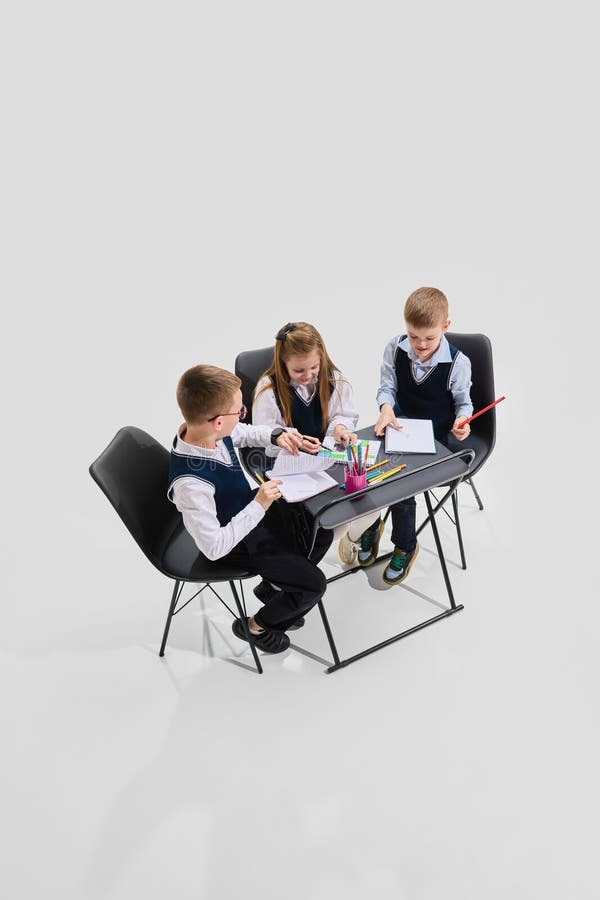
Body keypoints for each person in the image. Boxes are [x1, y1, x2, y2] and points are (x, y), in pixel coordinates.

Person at [167, 364, 333, 654]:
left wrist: (276, 435)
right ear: (218, 422)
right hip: (237, 543)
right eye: (240, 411)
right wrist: (259, 505)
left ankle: (274, 588)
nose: (243, 415)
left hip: (249, 511)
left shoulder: (207, 431)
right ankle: (257, 626)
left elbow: (243, 433)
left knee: (321, 528)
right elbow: (214, 548)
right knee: (313, 585)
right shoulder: (191, 485)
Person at [358, 287, 473, 585]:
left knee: (401, 480)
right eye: (413, 336)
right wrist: (386, 408)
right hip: (399, 425)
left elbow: (464, 404)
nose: (421, 345)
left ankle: (405, 544)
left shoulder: (458, 363)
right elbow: (387, 387)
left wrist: (463, 421)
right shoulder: (395, 347)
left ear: (445, 327)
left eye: (429, 338)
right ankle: (371, 523)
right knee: (365, 465)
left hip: (437, 436)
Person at [252, 321, 379, 568]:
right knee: (332, 523)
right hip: (291, 465)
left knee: (371, 503)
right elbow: (265, 435)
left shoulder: (334, 380)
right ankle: (304, 562)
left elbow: (343, 415)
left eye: (314, 366)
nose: (309, 375)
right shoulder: (268, 390)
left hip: (326, 458)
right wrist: (290, 440)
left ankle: (355, 536)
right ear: (283, 363)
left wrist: (340, 427)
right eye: (299, 370)